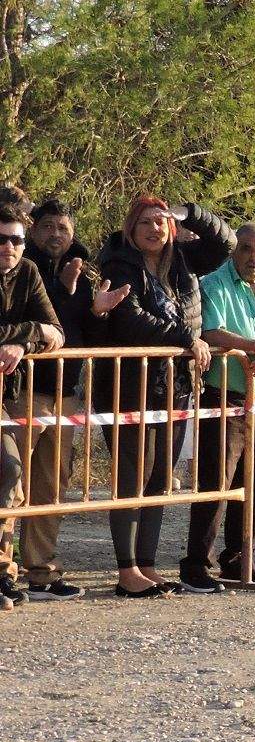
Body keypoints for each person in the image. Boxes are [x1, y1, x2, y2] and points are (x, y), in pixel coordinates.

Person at [98, 197, 233, 597]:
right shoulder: (118, 263)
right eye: (145, 222)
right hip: (129, 386)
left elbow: (225, 243)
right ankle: (127, 571)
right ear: (130, 228)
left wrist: (189, 213)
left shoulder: (184, 261)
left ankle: (148, 564)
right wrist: (186, 338)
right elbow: (131, 319)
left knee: (159, 479)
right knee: (133, 478)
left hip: (174, 386)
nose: (154, 229)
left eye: (160, 221)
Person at [181, 223, 255, 591]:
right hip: (223, 399)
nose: (254, 257)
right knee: (216, 485)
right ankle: (196, 564)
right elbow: (211, 332)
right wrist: (254, 346)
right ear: (234, 250)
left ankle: (238, 560)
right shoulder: (214, 284)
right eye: (246, 249)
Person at [19, 201, 123, 600]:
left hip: (64, 395)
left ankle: (41, 571)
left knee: (51, 486)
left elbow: (83, 337)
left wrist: (97, 312)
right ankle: (4, 570)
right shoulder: (21, 269)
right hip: (23, 392)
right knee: (10, 482)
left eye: (63, 227)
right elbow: (42, 324)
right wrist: (62, 291)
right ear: (32, 230)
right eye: (47, 226)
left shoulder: (82, 269)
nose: (55, 235)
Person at [0, 207, 69, 609]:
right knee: (8, 470)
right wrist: (29, 333)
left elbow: (55, 331)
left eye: (16, 240)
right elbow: (41, 329)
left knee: (11, 474)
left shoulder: (27, 271)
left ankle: (3, 572)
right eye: (1, 239)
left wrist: (21, 343)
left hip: (7, 396)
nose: (8, 247)